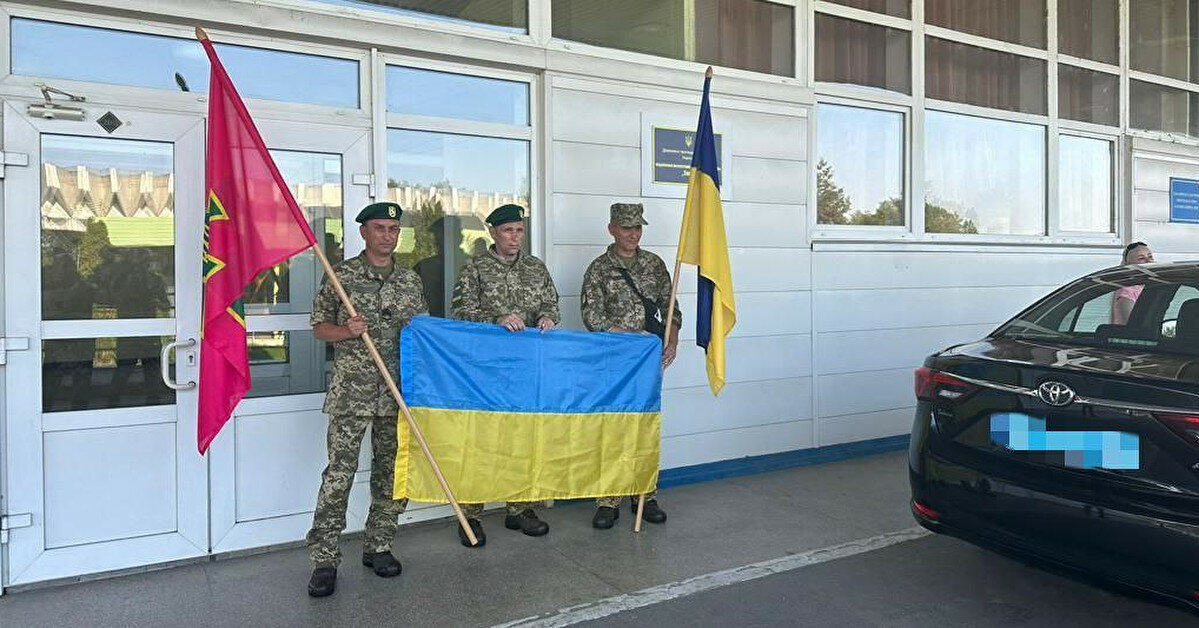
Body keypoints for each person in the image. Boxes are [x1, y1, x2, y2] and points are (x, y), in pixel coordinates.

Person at [305, 202, 428, 598]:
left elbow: (422, 334)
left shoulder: (410, 281)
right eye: (380, 228)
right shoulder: (341, 276)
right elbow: (318, 329)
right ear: (363, 232)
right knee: (338, 476)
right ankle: (325, 559)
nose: (388, 236)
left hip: (396, 392)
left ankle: (379, 545)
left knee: (391, 474)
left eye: (394, 229)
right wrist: (345, 330)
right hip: (352, 394)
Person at [449, 203, 559, 546]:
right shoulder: (475, 269)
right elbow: (459, 313)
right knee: (481, 440)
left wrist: (548, 318)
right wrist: (495, 319)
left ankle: (520, 508)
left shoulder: (535, 268)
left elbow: (551, 303)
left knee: (523, 438)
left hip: (526, 369)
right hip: (485, 371)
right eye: (509, 231)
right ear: (493, 233)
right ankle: (471, 515)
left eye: (520, 230)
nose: (515, 237)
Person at [580, 202, 680, 529]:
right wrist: (630, 335)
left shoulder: (654, 265)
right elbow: (592, 317)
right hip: (613, 362)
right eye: (626, 228)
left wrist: (673, 339)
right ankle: (609, 500)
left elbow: (671, 308)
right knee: (614, 428)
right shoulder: (599, 269)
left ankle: (644, 495)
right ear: (612, 229)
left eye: (638, 228)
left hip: (648, 363)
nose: (633, 234)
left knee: (644, 427)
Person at [1112, 241, 1154, 325]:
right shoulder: (1127, 291)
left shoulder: (1155, 285)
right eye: (1141, 258)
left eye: (1150, 256)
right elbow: (1133, 324)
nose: (1148, 261)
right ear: (1129, 265)